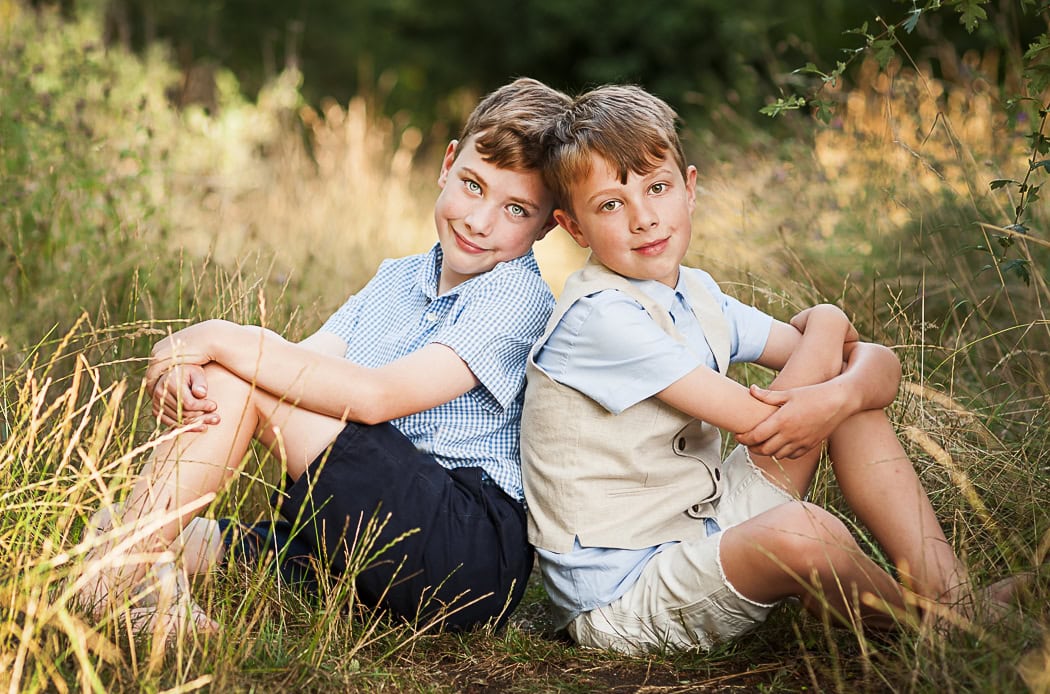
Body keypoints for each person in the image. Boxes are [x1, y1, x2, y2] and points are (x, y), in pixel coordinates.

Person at [79, 77, 572, 638]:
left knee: (241, 368)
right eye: (473, 185)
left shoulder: (517, 296)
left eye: (515, 209)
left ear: (545, 226)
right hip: (359, 525)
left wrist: (216, 334)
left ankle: (112, 573)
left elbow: (374, 397)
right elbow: (296, 364)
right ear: (447, 164)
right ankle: (148, 550)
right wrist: (205, 368)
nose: (481, 221)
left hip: (462, 551)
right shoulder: (397, 278)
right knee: (228, 406)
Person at [519, 84, 995, 654]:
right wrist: (830, 333)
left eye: (658, 188)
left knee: (846, 405)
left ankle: (956, 598)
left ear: (690, 190)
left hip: (703, 525)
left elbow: (867, 365)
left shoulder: (696, 293)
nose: (644, 218)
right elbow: (765, 421)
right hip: (626, 596)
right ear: (575, 229)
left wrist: (835, 359)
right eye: (611, 205)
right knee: (808, 526)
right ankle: (942, 630)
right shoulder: (598, 318)